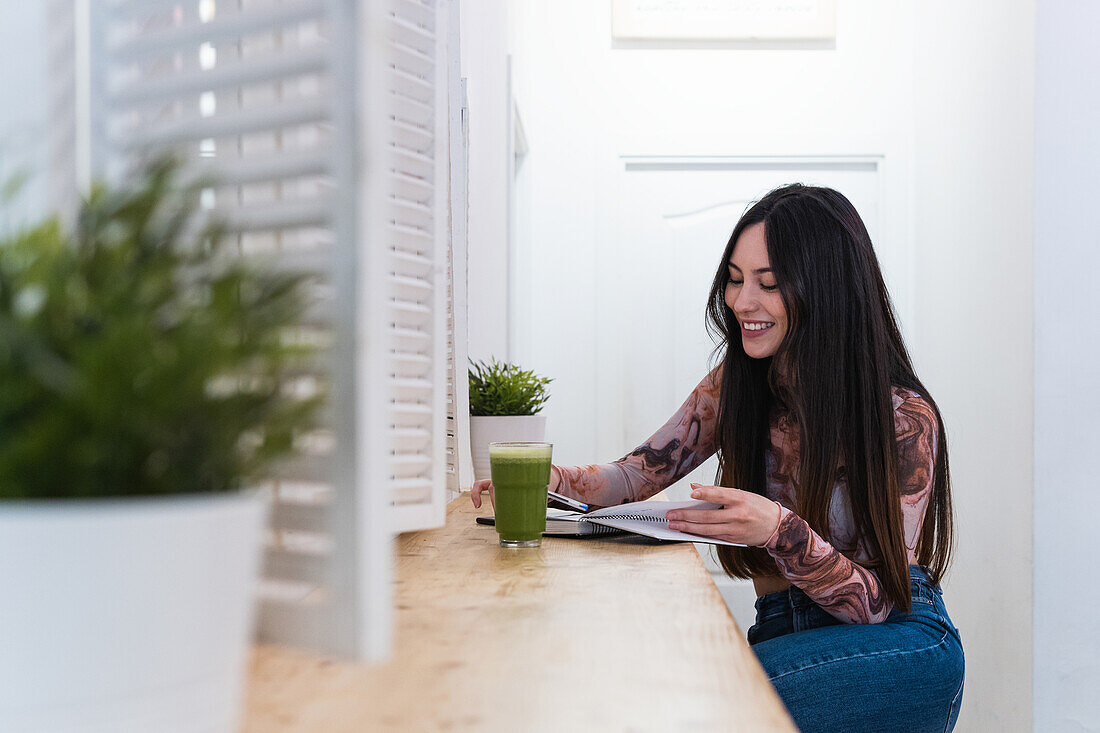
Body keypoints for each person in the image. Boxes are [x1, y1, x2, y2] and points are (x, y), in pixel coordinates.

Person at [470, 183, 964, 732]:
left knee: (693, 706)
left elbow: (873, 608)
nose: (741, 302)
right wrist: (548, 481)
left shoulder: (903, 419)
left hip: (894, 646)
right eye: (734, 279)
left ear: (826, 290)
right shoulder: (738, 385)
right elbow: (637, 474)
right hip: (786, 630)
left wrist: (779, 530)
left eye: (768, 284)